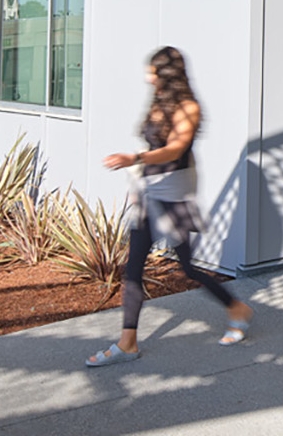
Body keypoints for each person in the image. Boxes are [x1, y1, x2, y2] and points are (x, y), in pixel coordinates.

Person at [86, 46, 253, 366]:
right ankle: (128, 343)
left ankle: (237, 309)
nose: (148, 79)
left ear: (168, 75)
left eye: (153, 72)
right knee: (133, 269)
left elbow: (175, 149)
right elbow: (155, 145)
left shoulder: (189, 108)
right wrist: (138, 170)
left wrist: (133, 158)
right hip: (149, 193)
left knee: (188, 267)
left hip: (173, 194)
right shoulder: (159, 103)